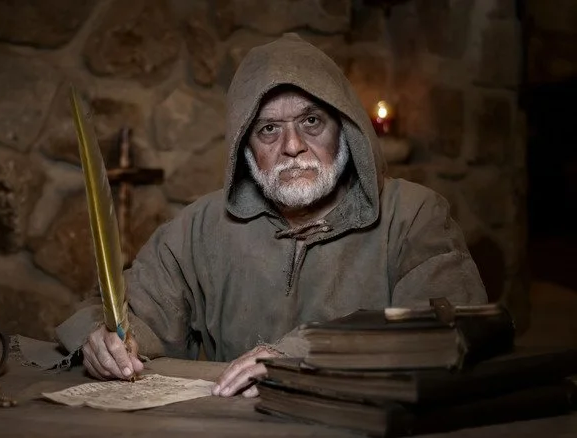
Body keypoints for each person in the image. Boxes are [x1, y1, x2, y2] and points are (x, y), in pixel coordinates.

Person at [54, 33, 488, 398]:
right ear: (245, 148)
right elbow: (122, 314)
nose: (292, 146)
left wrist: (304, 353)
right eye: (268, 129)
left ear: (345, 129)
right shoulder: (201, 227)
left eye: (311, 121)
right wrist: (107, 340)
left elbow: (448, 331)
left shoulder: (413, 215)